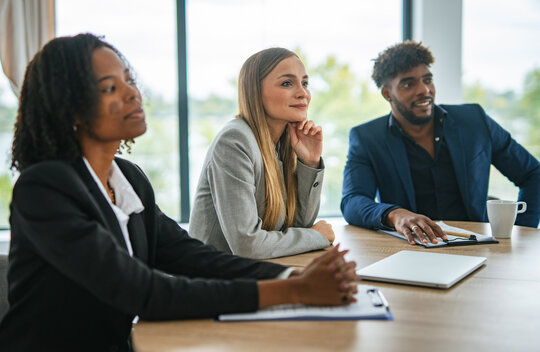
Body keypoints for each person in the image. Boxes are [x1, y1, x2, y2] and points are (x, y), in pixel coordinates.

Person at [0, 34, 358, 351]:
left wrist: (291, 277)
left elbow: (191, 255)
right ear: (72, 109)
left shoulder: (128, 178)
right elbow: (143, 291)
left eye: (129, 79)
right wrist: (293, 292)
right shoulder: (43, 189)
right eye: (110, 87)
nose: (133, 93)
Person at [341, 40, 540, 244]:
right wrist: (395, 214)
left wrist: (521, 231)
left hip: (476, 246)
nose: (424, 90)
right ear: (387, 93)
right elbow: (352, 201)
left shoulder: (475, 121)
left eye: (427, 80)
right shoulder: (367, 138)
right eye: (409, 84)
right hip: (410, 251)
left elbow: (533, 173)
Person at [189, 47, 334, 259]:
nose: (303, 93)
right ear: (255, 92)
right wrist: (316, 236)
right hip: (213, 281)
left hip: (256, 273)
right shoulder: (234, 140)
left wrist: (310, 163)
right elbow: (248, 246)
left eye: (305, 83)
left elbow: (300, 225)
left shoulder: (283, 141)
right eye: (287, 83)